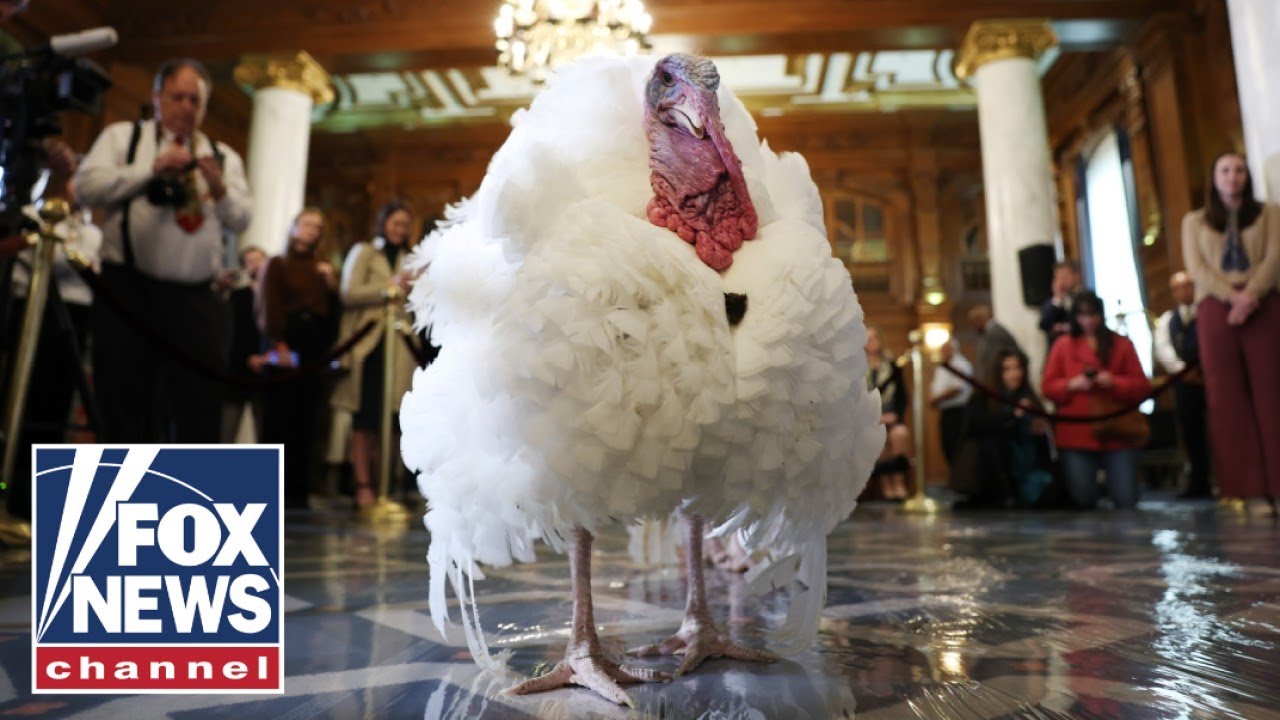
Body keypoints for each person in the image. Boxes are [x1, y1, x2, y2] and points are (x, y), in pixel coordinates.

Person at [73, 58, 251, 443]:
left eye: (195, 101)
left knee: (199, 401)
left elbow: (242, 218)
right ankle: (124, 493)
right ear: (157, 98)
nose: (186, 107)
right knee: (124, 396)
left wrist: (218, 188)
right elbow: (85, 186)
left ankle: (191, 495)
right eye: (178, 97)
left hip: (196, 300)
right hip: (127, 293)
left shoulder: (223, 156)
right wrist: (151, 170)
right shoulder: (124, 138)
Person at [1181, 152, 1280, 510]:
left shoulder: (1270, 213)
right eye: (1224, 170)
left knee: (1272, 395)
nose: (1232, 176)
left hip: (1263, 304)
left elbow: (1274, 256)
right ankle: (1250, 491)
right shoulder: (1193, 221)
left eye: (1239, 170)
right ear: (1214, 177)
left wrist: (1250, 295)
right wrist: (1231, 298)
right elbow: (1197, 267)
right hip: (1215, 309)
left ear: (1247, 176)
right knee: (1228, 399)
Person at [331, 200, 420, 508]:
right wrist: (388, 287)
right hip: (368, 343)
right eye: (396, 223)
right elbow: (348, 292)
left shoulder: (412, 258)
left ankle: (389, 484)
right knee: (366, 416)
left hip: (401, 347)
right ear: (383, 223)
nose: (400, 229)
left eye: (405, 225)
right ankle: (363, 485)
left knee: (396, 417)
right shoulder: (365, 252)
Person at [258, 208, 337, 508]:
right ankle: (272, 488)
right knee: (278, 418)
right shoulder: (277, 264)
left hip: (314, 348)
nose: (311, 231)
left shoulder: (323, 269)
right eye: (306, 225)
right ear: (293, 228)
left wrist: (331, 284)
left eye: (317, 226)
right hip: (286, 343)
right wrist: (278, 344)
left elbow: (331, 312)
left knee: (308, 419)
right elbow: (269, 305)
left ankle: (299, 489)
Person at [1042, 292, 1151, 509]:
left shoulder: (1121, 344)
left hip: (1118, 431)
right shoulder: (1063, 346)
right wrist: (1072, 384)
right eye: (1082, 315)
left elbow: (1142, 387)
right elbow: (1048, 387)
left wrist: (1114, 382)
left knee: (1125, 498)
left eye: (1092, 315)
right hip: (1077, 433)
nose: (1088, 321)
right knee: (1082, 498)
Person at [954, 349, 1056, 509]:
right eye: (1007, 369)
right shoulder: (983, 397)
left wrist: (1040, 426)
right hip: (994, 468)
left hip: (1026, 462)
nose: (1014, 374)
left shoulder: (1028, 397)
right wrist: (1013, 416)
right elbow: (980, 427)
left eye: (1017, 368)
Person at [1152, 271, 1211, 498]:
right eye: (1178, 288)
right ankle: (1199, 482)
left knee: (1218, 430)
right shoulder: (1168, 319)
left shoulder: (1205, 313)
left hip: (1209, 378)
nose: (1184, 291)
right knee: (1191, 434)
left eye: (1188, 286)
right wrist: (1181, 371)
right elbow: (1163, 349)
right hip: (1184, 383)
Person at [864, 326, 912, 500]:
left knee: (900, 434)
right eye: (868, 338)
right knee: (878, 438)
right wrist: (873, 417)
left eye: (875, 338)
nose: (872, 342)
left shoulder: (893, 367)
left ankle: (898, 482)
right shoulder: (859, 369)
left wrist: (895, 416)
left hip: (892, 416)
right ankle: (886, 485)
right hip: (868, 420)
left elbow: (903, 397)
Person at [928, 339, 972, 467]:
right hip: (946, 412)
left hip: (958, 412)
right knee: (948, 446)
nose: (943, 352)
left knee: (957, 447)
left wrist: (936, 399)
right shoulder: (944, 366)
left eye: (945, 349)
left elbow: (957, 388)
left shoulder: (960, 364)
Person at [968, 304, 1023, 387]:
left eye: (973, 321)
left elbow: (996, 361)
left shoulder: (995, 333)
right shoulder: (992, 332)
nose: (973, 326)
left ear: (979, 319)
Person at [1038, 260, 1083, 349]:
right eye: (1058, 277)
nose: (1061, 282)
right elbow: (1044, 324)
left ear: (1076, 276)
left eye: (1065, 277)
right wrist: (1058, 299)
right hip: (1059, 351)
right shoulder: (1050, 303)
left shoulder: (1082, 299)